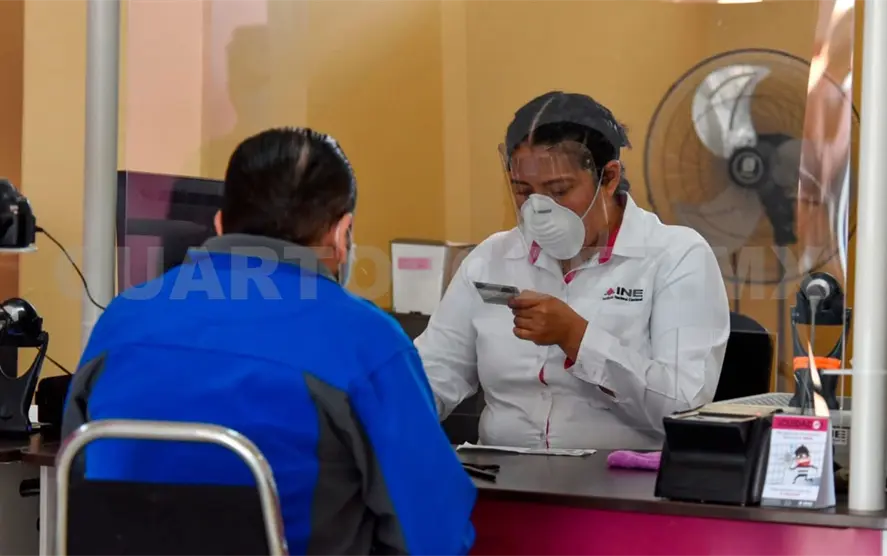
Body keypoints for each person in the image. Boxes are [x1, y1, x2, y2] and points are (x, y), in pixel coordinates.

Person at [62, 127, 476, 556]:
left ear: (219, 223)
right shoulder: (366, 340)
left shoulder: (121, 321)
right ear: (341, 234)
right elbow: (436, 535)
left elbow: (76, 480)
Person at [415, 91, 730, 450]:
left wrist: (578, 339)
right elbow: (434, 374)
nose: (539, 209)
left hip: (620, 477)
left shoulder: (676, 256)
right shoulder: (491, 258)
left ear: (608, 177)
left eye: (559, 190)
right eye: (523, 191)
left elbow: (683, 407)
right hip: (503, 473)